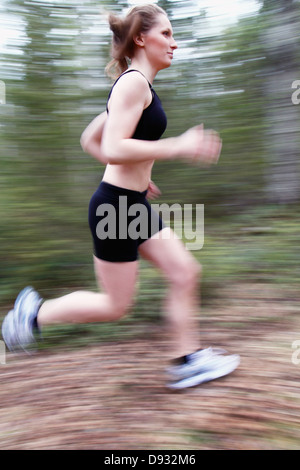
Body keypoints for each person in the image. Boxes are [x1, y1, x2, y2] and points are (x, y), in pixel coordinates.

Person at [1, 4, 239, 389]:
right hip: (114, 205)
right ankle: (33, 313)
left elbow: (90, 139)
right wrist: (178, 145)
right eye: (166, 33)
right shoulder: (132, 84)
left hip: (131, 204)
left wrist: (138, 178)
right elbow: (112, 146)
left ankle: (187, 361)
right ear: (141, 38)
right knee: (115, 306)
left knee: (184, 272)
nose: (174, 43)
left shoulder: (135, 86)